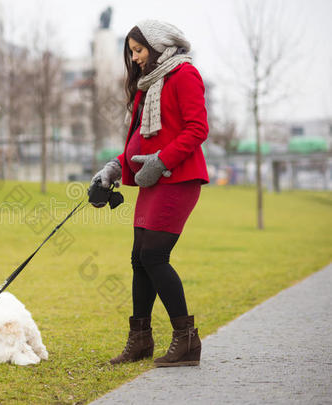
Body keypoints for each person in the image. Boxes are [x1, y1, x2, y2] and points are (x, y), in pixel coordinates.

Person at [90, 20, 209, 367]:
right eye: (131, 52)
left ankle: (186, 340)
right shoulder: (148, 86)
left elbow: (197, 129)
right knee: (139, 258)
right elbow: (140, 141)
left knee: (154, 256)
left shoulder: (184, 75)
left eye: (138, 50)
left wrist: (162, 160)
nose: (135, 58)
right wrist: (113, 168)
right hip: (152, 180)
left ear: (158, 45)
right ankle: (140, 340)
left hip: (178, 179)